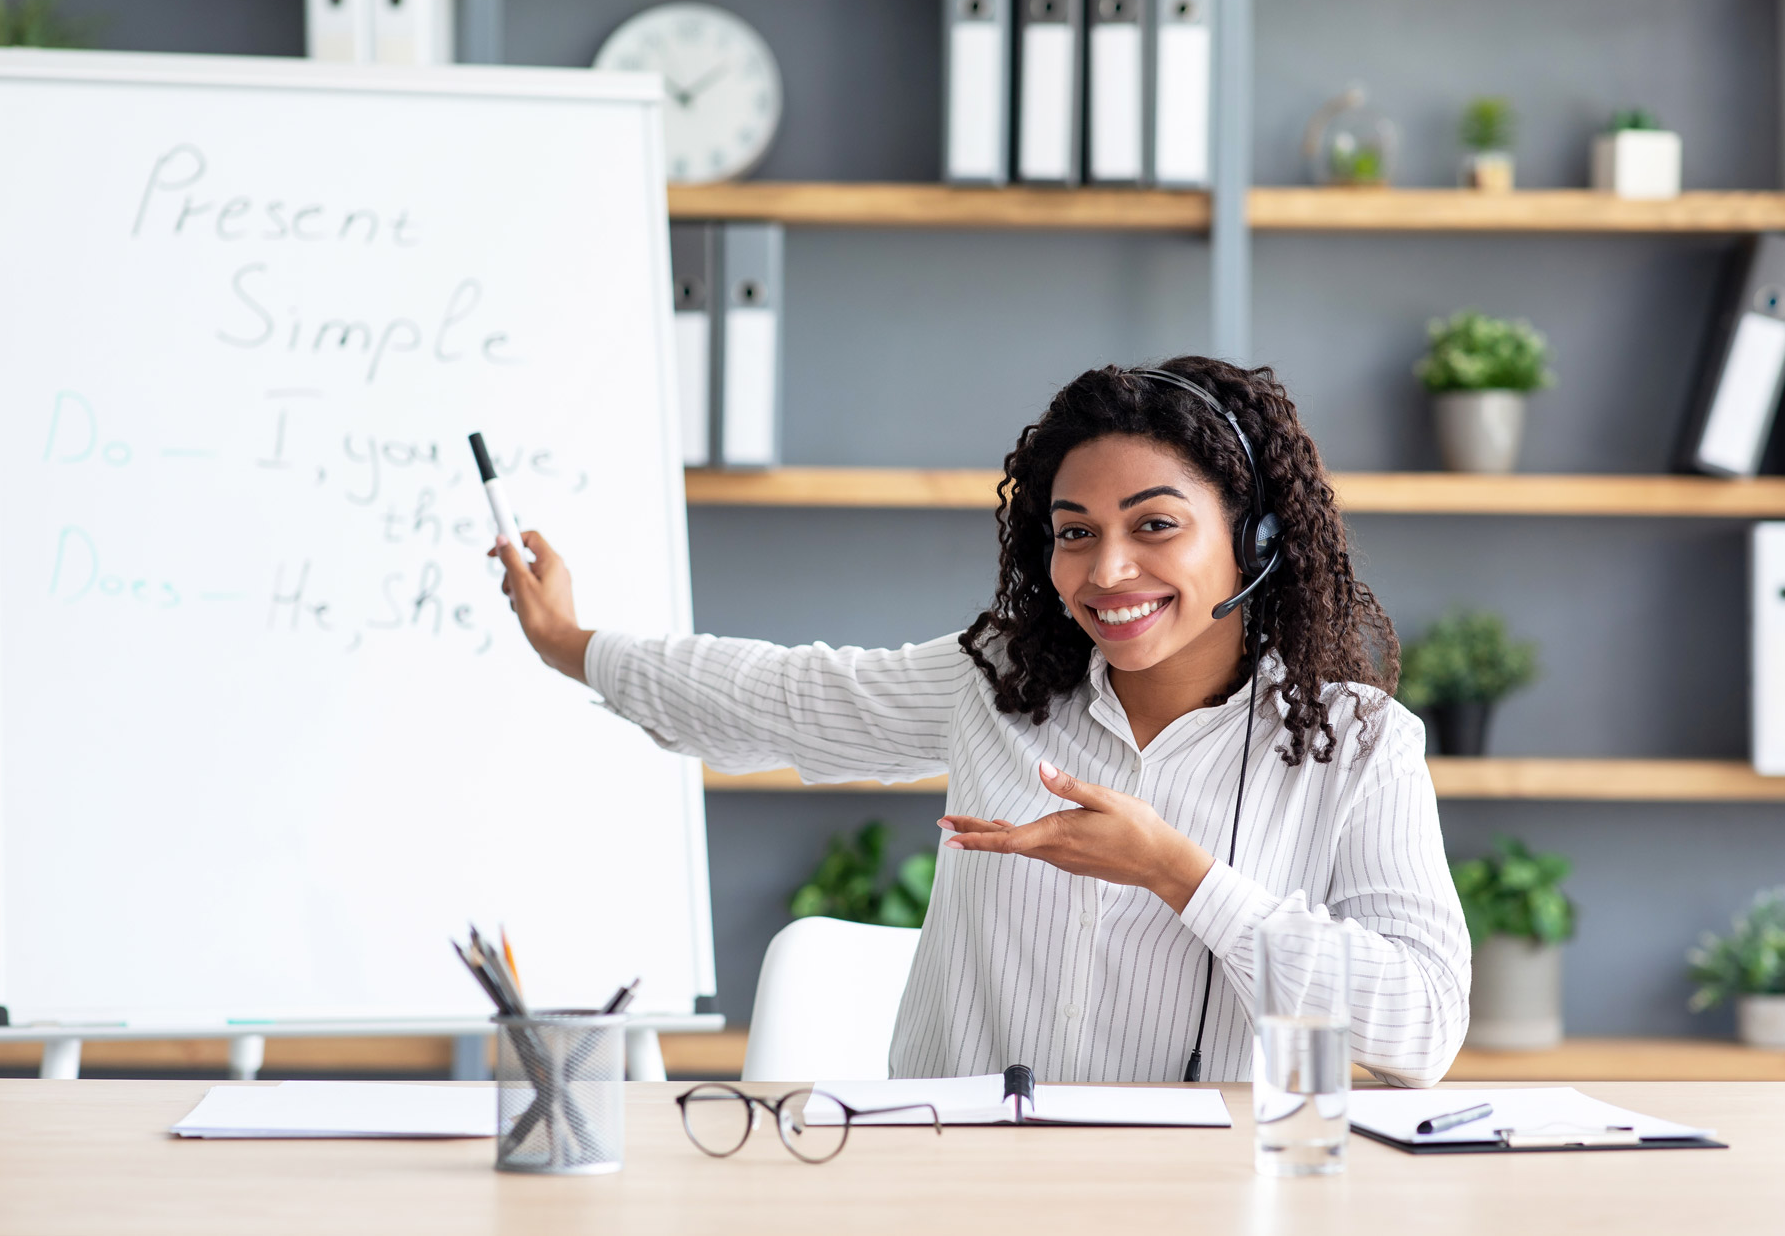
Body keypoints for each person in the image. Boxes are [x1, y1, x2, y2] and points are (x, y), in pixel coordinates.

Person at [491, 357, 1470, 1086]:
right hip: (957, 1190)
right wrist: (572, 643)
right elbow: (781, 698)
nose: (1106, 570)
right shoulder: (1002, 681)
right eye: (1075, 532)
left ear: (1254, 540)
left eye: (1155, 525)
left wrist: (1177, 873)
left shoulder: (1360, 747)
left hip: (1208, 1200)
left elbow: (1422, 1026)